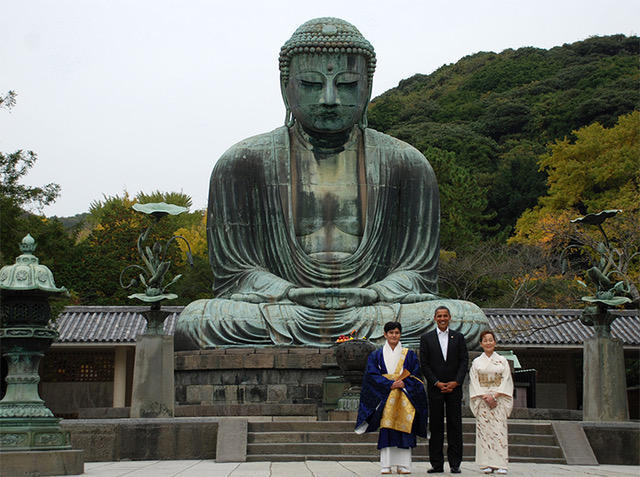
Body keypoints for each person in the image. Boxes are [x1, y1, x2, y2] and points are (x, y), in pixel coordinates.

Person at [175, 17, 489, 350]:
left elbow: (417, 273)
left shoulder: (406, 164)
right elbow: (237, 273)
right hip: (286, 308)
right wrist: (288, 291)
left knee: (468, 320)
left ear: (367, 88)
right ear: (285, 87)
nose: (329, 98)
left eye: (347, 84)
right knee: (198, 320)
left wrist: (375, 292)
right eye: (311, 83)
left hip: (375, 308)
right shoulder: (242, 163)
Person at [356, 321, 428, 474]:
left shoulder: (409, 354)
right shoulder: (377, 354)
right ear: (385, 334)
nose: (394, 335)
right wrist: (389, 384)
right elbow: (371, 376)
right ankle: (386, 465)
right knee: (387, 428)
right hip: (386, 395)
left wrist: (404, 383)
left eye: (397, 333)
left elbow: (416, 375)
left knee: (405, 428)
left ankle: (404, 465)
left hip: (405, 396)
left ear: (400, 334)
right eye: (391, 333)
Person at [419, 306, 468, 474]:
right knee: (435, 426)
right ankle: (436, 463)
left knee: (455, 425)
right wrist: (436, 382)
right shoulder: (426, 338)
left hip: (454, 388)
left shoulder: (458, 337)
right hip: (435, 389)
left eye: (445, 316)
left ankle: (455, 463)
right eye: (439, 316)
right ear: (434, 318)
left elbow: (464, 361)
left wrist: (456, 382)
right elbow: (424, 364)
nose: (442, 319)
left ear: (449, 318)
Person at [469, 330, 514, 474]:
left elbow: (506, 379)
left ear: (495, 342)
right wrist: (485, 396)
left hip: (498, 399)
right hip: (483, 399)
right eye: (485, 340)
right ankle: (486, 463)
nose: (488, 343)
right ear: (481, 344)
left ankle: (501, 464)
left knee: (499, 431)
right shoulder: (477, 362)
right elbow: (474, 381)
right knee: (484, 431)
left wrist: (495, 395)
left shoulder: (502, 360)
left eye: (490, 340)